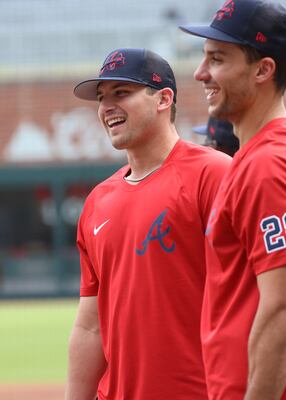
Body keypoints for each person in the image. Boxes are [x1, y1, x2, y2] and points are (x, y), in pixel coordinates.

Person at [179, 1, 286, 399]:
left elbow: (282, 309)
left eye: (218, 59)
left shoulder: (270, 166)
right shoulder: (275, 152)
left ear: (263, 69)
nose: (200, 73)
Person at [65, 48, 231, 400]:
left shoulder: (213, 174)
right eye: (101, 97)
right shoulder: (97, 201)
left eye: (121, 93)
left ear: (163, 99)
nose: (107, 106)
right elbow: (90, 326)